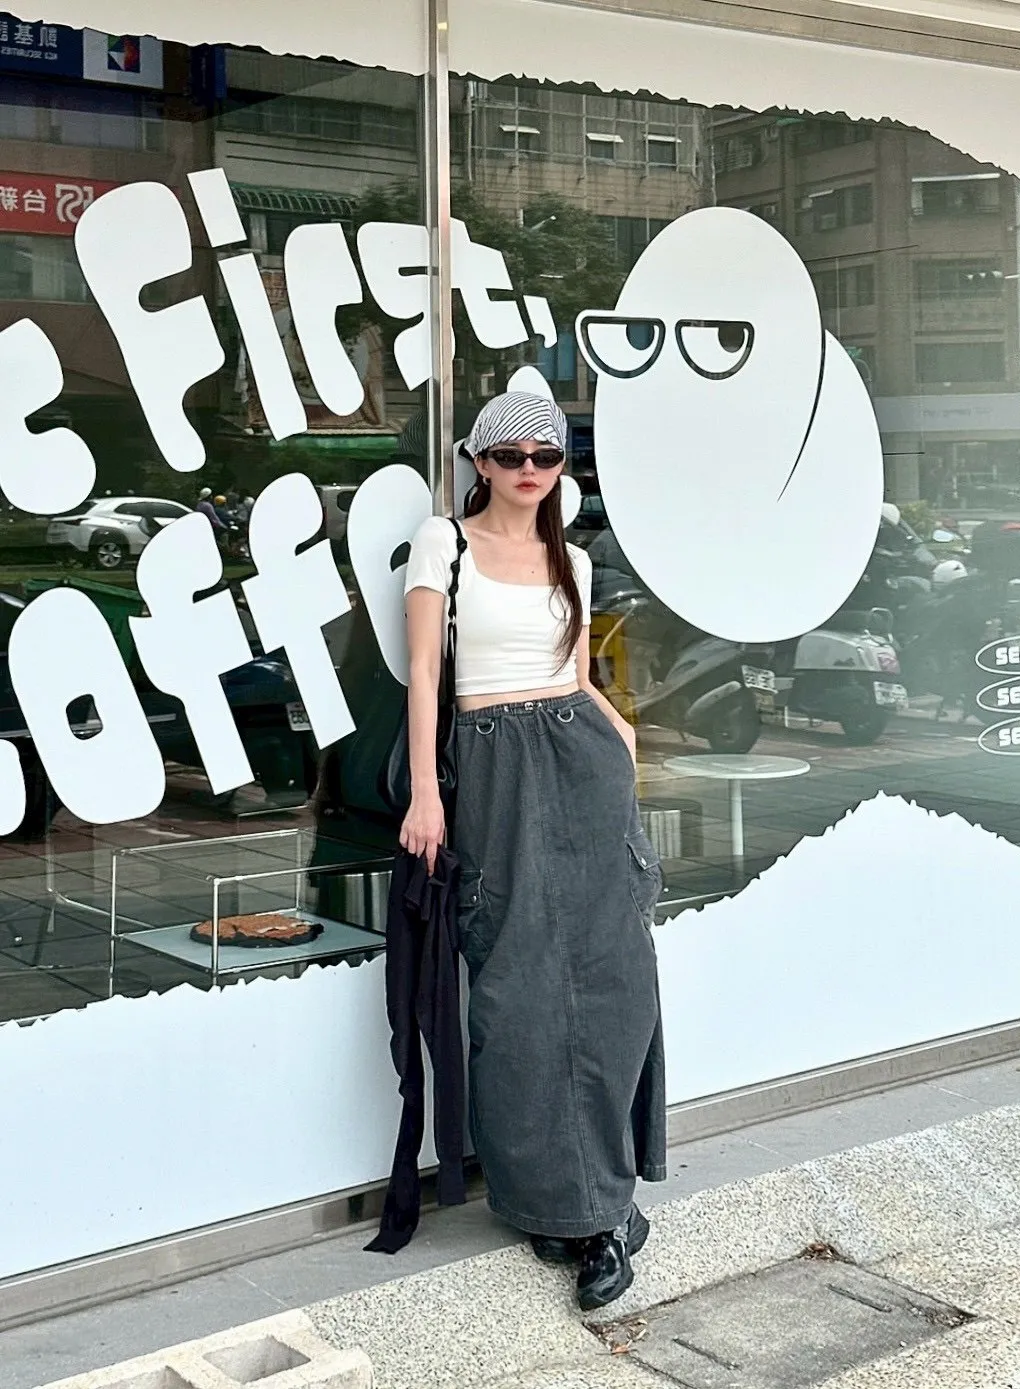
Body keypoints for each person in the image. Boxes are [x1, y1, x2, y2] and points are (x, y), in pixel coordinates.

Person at [401, 391, 666, 1311]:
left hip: (581, 762)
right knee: (517, 999)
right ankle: (563, 1201)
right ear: (479, 461)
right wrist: (428, 792)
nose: (528, 469)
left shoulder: (572, 558)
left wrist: (620, 734)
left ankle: (601, 1212)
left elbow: (577, 673)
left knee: (614, 983)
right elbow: (425, 673)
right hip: (493, 767)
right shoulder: (443, 543)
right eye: (509, 454)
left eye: (545, 456)